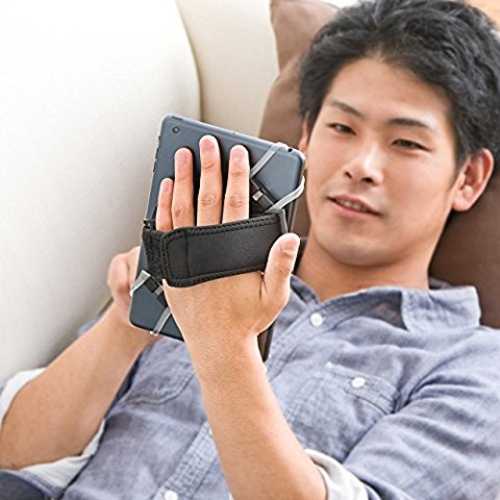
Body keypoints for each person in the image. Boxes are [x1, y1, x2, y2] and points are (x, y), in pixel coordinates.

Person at [1, 0, 500, 498]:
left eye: (406, 143)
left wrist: (223, 343)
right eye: (342, 128)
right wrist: (126, 324)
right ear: (305, 138)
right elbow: (15, 457)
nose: (362, 166)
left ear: (469, 178)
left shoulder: (472, 368)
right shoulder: (195, 270)